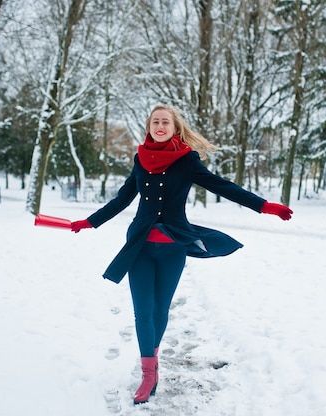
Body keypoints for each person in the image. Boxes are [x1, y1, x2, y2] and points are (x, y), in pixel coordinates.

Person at [70, 105, 292, 405]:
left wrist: (265, 206)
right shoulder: (140, 159)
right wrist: (89, 221)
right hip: (140, 246)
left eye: (165, 122)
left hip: (173, 247)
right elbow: (122, 198)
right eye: (155, 121)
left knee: (160, 310)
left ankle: (153, 357)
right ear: (149, 127)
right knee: (142, 311)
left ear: (175, 128)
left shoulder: (187, 160)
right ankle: (148, 374)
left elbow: (222, 186)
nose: (160, 125)